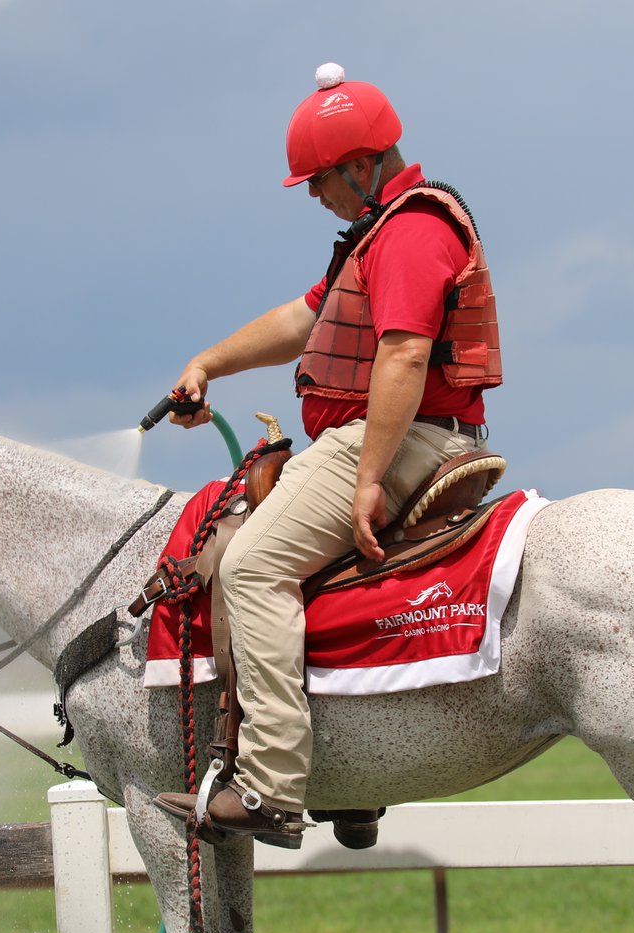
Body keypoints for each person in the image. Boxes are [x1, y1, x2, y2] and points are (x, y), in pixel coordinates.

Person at [155, 63, 502, 848]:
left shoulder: (410, 233)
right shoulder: (377, 237)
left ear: (359, 165)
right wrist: (208, 360)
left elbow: (405, 360)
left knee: (250, 566)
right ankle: (353, 772)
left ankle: (273, 784)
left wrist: (370, 476)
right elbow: (299, 320)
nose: (316, 197)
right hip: (390, 435)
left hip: (399, 438)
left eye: (319, 180)